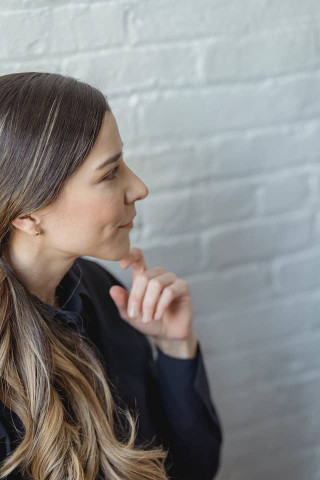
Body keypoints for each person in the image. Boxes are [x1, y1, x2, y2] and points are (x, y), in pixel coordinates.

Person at [0, 72, 223, 480]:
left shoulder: (101, 292)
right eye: (110, 173)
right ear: (28, 216)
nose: (139, 187)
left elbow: (192, 468)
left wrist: (174, 347)